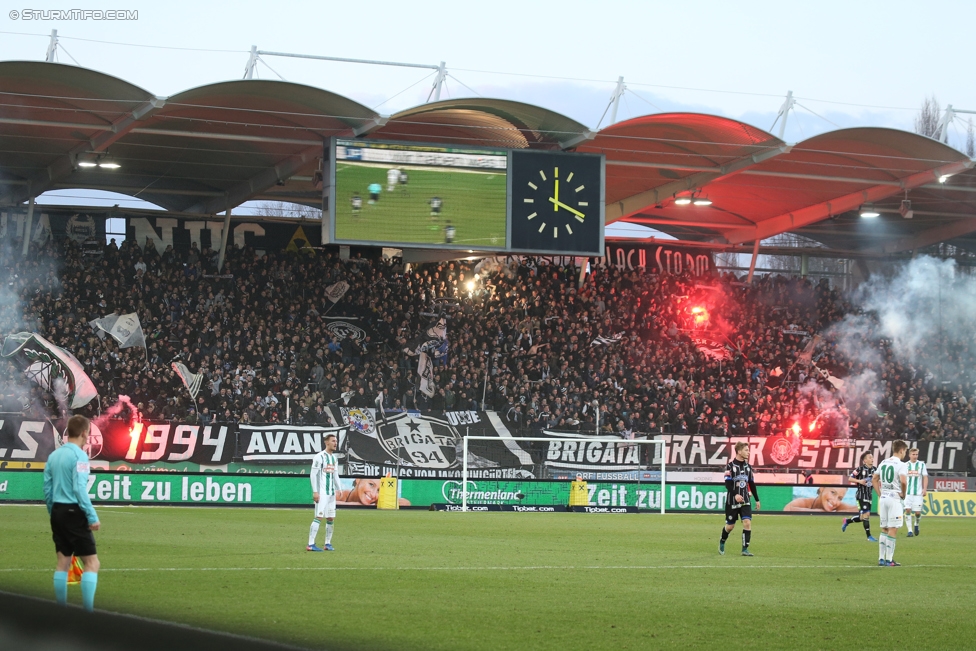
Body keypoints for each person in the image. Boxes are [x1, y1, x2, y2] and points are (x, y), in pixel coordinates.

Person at [43, 415, 100, 611]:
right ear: (84, 433)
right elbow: (79, 489)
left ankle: (61, 609)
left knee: (62, 562)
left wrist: (53, 512)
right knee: (92, 563)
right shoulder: (79, 456)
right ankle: (88, 611)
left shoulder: (54, 456)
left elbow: (47, 489)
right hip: (73, 511)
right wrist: (92, 516)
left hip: (57, 510)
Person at [719, 441, 760, 556]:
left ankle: (744, 549)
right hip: (732, 500)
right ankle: (722, 541)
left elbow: (752, 484)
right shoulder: (730, 466)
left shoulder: (748, 467)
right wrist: (735, 495)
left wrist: (757, 499)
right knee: (730, 526)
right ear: (739, 451)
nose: (749, 452)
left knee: (747, 522)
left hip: (745, 500)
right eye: (746, 450)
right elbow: (727, 484)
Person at [872, 440, 908, 567]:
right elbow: (903, 481)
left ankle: (881, 558)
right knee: (893, 529)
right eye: (905, 452)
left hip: (884, 498)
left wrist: (880, 494)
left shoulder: (883, 462)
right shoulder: (901, 465)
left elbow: (874, 479)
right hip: (894, 499)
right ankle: (889, 560)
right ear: (901, 450)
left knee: (884, 528)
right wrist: (903, 493)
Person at [307, 433, 342, 552]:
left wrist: (339, 488)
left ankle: (327, 543)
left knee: (331, 518)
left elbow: (335, 474)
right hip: (322, 492)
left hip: (331, 493)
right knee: (319, 516)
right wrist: (315, 492)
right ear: (327, 443)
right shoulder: (319, 457)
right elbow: (313, 474)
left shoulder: (334, 458)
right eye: (333, 441)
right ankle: (310, 544)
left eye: (336, 441)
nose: (335, 443)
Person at [841, 452, 878, 541]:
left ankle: (847, 521)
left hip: (869, 495)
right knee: (866, 515)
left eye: (872, 457)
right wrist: (859, 481)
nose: (872, 459)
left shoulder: (875, 470)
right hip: (861, 495)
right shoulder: (860, 469)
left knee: (862, 518)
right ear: (865, 460)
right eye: (869, 457)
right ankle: (869, 536)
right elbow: (850, 478)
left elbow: (877, 480)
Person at [903, 447, 929, 537]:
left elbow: (925, 477)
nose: (915, 456)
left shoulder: (921, 465)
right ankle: (909, 531)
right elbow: (901, 479)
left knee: (917, 513)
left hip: (918, 494)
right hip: (907, 493)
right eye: (913, 454)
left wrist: (924, 489)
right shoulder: (905, 465)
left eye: (916, 454)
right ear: (909, 455)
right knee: (908, 510)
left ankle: (916, 524)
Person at [784, 486, 858, 513]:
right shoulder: (805, 502)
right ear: (822, 488)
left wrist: (838, 512)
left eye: (840, 498)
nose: (835, 501)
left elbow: (859, 509)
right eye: (833, 492)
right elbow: (787, 509)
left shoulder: (837, 506)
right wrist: (820, 512)